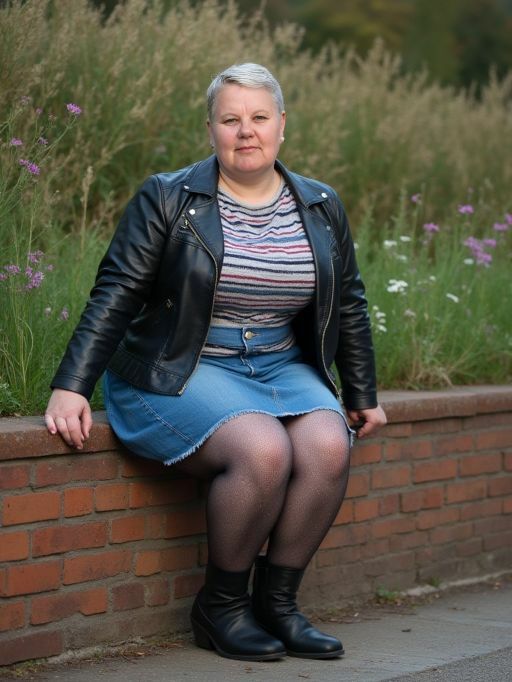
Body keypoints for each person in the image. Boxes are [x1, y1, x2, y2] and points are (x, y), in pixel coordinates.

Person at [45, 63, 387, 662]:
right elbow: (117, 292)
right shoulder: (168, 196)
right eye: (231, 119)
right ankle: (221, 607)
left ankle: (278, 605)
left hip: (278, 364)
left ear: (282, 125)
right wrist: (72, 385)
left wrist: (362, 394)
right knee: (263, 450)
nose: (245, 130)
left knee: (329, 445)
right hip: (179, 365)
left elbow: (350, 301)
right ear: (211, 129)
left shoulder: (320, 203)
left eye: (259, 117)